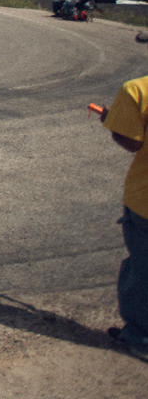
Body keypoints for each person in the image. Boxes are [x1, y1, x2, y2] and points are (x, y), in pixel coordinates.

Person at [102, 72, 148, 361]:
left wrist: (112, 119)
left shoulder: (137, 91)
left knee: (143, 269)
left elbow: (131, 142)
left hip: (144, 202)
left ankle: (139, 334)